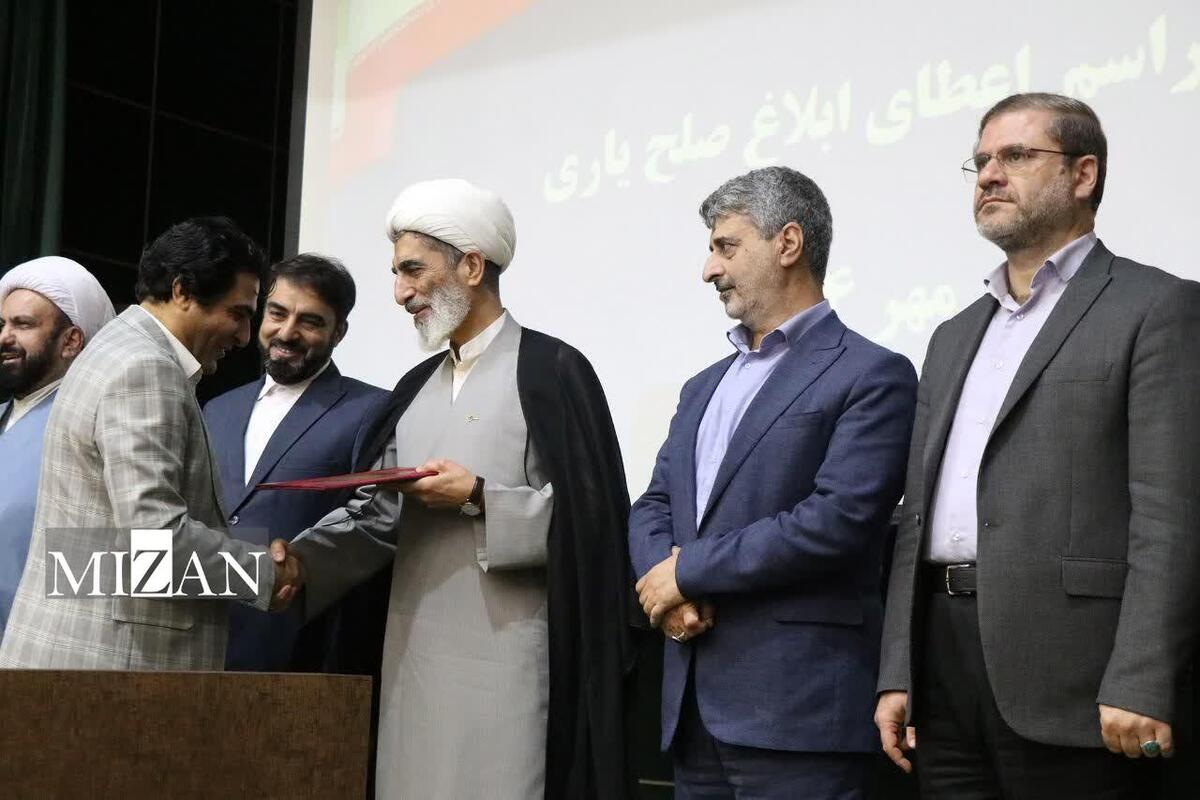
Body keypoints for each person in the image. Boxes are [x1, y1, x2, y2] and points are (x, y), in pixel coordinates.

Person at [876, 92, 1200, 798]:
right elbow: (916, 519)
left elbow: (1171, 515)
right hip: (943, 670)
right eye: (982, 161)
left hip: (1080, 679)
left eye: (1017, 155)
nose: (990, 174)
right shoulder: (953, 335)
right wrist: (898, 670)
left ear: (1083, 175)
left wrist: (1141, 678)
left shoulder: (1156, 307)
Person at [279, 178, 636, 799]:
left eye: (413, 270)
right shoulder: (413, 387)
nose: (400, 293)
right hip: (411, 660)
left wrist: (478, 497)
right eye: (396, 273)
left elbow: (593, 527)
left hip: (509, 668)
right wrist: (300, 562)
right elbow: (376, 518)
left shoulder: (552, 371)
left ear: (472, 266)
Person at [629, 166, 917, 799]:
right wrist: (666, 590)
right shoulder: (702, 386)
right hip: (693, 712)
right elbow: (655, 503)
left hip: (799, 715)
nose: (709, 269)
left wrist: (689, 571)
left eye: (725, 247)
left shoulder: (873, 374)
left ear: (788, 243)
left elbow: (837, 521)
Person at [0, 217, 302, 670]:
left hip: (79, 659)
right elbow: (154, 540)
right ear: (182, 291)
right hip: (110, 670)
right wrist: (261, 573)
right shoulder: (145, 367)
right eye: (238, 313)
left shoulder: (118, 347)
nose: (244, 336)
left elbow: (91, 548)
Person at [204, 253, 386, 671]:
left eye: (310, 321)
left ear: (339, 332)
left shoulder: (371, 409)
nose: (287, 332)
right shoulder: (217, 408)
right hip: (204, 635)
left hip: (299, 646)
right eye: (277, 313)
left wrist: (295, 563)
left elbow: (374, 514)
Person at [0, 257, 114, 637]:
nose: (4, 337)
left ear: (71, 341)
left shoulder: (96, 425)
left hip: (38, 647)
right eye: (2, 324)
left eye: (23, 325)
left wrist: (248, 571)